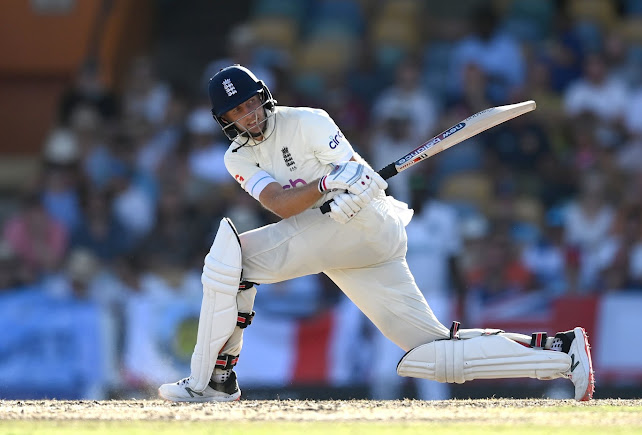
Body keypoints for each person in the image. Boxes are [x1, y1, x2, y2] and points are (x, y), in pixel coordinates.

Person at [157, 65, 595, 402]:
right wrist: (328, 186)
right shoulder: (238, 158)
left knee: (230, 261)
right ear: (225, 119)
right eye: (238, 111)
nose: (249, 115)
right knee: (430, 352)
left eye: (252, 103)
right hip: (346, 247)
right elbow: (280, 204)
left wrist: (355, 187)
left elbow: (361, 178)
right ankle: (559, 352)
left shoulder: (309, 121)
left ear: (264, 97)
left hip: (368, 224)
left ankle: (212, 381)